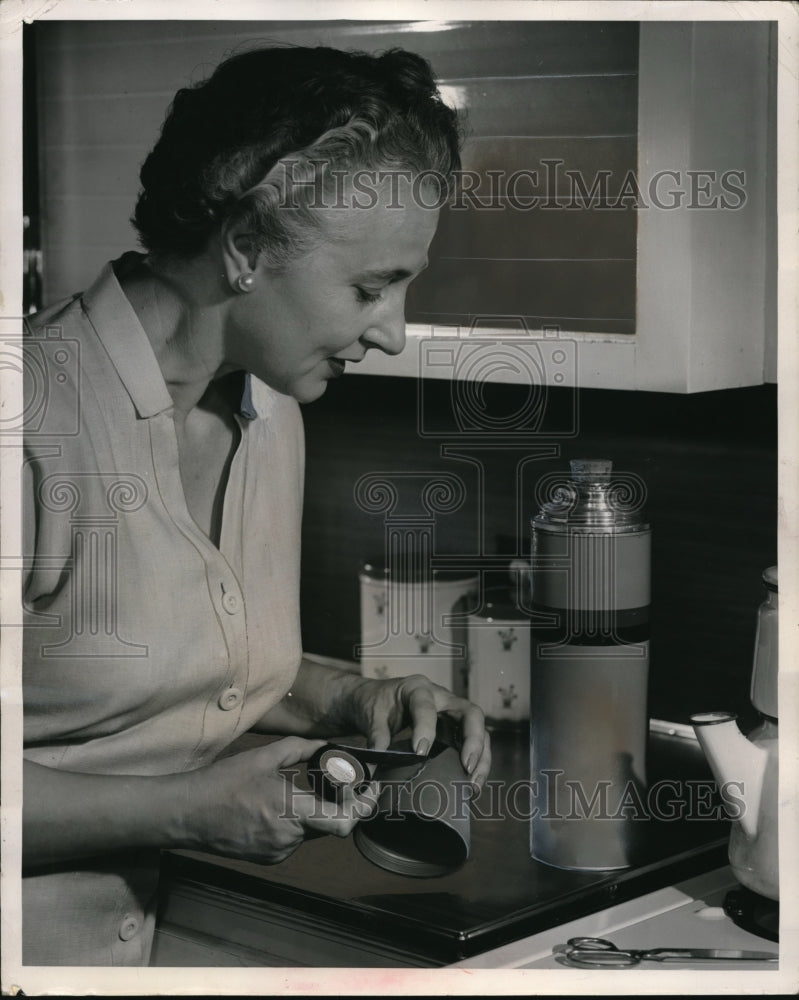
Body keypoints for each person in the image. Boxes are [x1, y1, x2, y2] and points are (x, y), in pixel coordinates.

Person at [21, 45, 491, 966]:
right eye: (370, 287)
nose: (392, 332)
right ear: (244, 248)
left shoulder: (270, 404)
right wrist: (190, 808)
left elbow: (181, 674)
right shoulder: (28, 427)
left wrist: (345, 696)